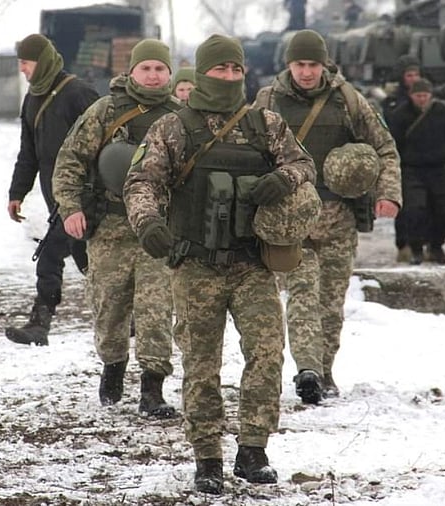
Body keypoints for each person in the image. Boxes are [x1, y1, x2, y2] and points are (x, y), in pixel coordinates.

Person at [123, 34, 315, 494]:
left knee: (267, 356)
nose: (229, 77)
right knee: (202, 365)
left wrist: (281, 178)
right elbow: (140, 182)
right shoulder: (172, 127)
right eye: (220, 69)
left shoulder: (264, 124)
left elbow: (305, 165)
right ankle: (207, 456)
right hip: (196, 267)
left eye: (236, 70)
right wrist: (149, 224)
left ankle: (253, 450)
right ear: (203, 72)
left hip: (253, 265)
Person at [253, 29, 401, 402]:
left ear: (324, 64)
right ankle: (309, 370)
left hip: (338, 217)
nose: (306, 72)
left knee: (331, 302)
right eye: (300, 64)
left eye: (313, 64)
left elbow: (384, 148)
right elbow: (248, 152)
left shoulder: (348, 100)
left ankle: (326, 368)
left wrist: (389, 195)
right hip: (291, 217)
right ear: (289, 64)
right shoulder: (267, 100)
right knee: (302, 293)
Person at [52, 39, 181, 418]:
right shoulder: (105, 111)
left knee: (157, 308)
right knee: (110, 307)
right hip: (109, 227)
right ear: (133, 71)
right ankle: (113, 367)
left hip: (159, 230)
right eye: (146, 68)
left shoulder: (182, 116)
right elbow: (70, 161)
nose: (154, 75)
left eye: (160, 69)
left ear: (169, 74)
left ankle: (153, 386)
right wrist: (70, 208)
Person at [5, 34, 100, 346]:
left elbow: (103, 144)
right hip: (54, 196)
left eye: (25, 63)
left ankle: (40, 322)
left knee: (51, 253)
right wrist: (17, 192)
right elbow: (28, 152)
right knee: (85, 256)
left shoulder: (78, 93)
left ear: (41, 61)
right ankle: (124, 314)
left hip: (83, 195)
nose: (22, 69)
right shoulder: (32, 98)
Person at [387, 78, 445, 265]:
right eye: (418, 96)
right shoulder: (401, 115)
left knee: (442, 209)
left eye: (425, 96)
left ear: (431, 96)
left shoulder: (441, 112)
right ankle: (416, 248)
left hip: (437, 168)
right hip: (412, 169)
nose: (422, 99)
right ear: (412, 95)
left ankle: (436, 247)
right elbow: (393, 143)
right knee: (415, 209)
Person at [382, 54, 422, 262]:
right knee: (404, 206)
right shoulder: (393, 101)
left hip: (425, 158)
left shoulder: (426, 97)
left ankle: (425, 245)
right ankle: (404, 244)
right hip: (402, 159)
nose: (413, 79)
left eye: (416, 74)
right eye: (409, 75)